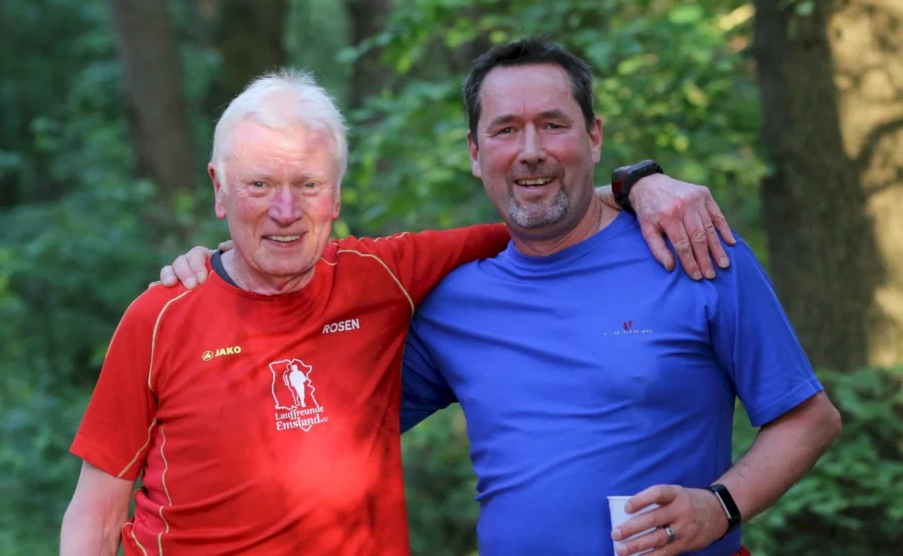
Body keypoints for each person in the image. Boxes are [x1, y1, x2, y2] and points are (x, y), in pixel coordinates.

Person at [64, 68, 729, 556]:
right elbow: (95, 521)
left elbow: (541, 213)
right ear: (219, 189)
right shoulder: (158, 318)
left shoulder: (382, 277)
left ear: (336, 195)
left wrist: (639, 183)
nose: (285, 211)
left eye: (308, 186)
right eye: (259, 185)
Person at [393, 40, 841, 555]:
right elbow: (345, 421)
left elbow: (810, 418)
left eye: (553, 124)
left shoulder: (692, 248)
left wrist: (720, 506)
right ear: (475, 152)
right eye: (506, 129)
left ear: (595, 137)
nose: (531, 149)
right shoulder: (453, 303)